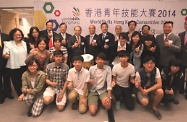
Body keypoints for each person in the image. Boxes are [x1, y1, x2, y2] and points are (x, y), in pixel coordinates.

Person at [135, 56, 163, 120]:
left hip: (151, 88)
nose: (150, 65)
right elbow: (138, 86)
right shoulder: (139, 72)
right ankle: (140, 98)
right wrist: (142, 90)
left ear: (155, 64)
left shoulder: (156, 70)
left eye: (152, 63)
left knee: (160, 91)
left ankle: (154, 107)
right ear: (143, 64)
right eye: (147, 63)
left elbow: (159, 84)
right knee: (145, 102)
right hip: (142, 89)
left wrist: (147, 90)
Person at [3, 28, 27, 96]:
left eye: (19, 35)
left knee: (24, 81)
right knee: (16, 81)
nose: (18, 36)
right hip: (13, 66)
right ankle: (20, 94)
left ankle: (25, 93)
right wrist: (6, 55)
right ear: (12, 36)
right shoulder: (8, 44)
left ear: (21, 35)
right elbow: (5, 53)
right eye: (15, 35)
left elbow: (26, 53)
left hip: (24, 65)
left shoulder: (24, 43)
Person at [0, 24, 12, 103]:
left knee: (7, 77)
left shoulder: (6, 36)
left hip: (6, 61)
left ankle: (8, 92)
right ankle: (1, 95)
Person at [178, 17, 187, 96]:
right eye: (186, 24)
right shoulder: (180, 35)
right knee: (181, 75)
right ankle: (180, 90)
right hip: (181, 59)